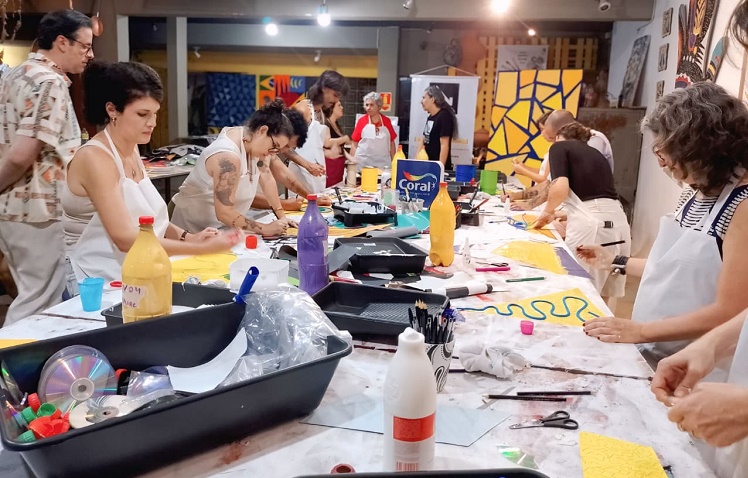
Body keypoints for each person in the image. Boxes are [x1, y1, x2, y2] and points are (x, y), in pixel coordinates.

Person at [576, 83, 748, 369]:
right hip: (656, 348)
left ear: (700, 146)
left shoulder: (741, 205)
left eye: (664, 153)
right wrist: (614, 261)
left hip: (699, 367)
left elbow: (730, 311)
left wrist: (641, 331)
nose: (663, 164)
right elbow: (675, 270)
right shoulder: (694, 193)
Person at [62, 61, 239, 286]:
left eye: (155, 113)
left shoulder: (131, 148)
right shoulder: (95, 157)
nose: (152, 123)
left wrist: (189, 237)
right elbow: (124, 238)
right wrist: (199, 249)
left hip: (131, 268)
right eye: (142, 114)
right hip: (90, 278)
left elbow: (148, 219)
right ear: (112, 110)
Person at [0, 10, 93, 325]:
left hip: (14, 209)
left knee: (32, 295)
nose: (90, 55)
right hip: (37, 209)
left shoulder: (15, 74)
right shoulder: (49, 82)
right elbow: (20, 155)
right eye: (85, 46)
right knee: (39, 301)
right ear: (62, 42)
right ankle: (13, 359)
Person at [534, 122, 631, 299]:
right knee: (601, 298)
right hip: (619, 224)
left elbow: (560, 187)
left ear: (559, 137)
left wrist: (547, 212)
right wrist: (561, 213)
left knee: (577, 293)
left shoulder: (559, 148)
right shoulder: (595, 154)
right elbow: (597, 200)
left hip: (594, 228)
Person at [171, 99, 295, 236]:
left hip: (222, 230)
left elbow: (266, 177)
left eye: (277, 150)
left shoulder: (253, 142)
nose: (272, 153)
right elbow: (224, 213)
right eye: (274, 146)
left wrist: (282, 217)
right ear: (263, 130)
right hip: (192, 231)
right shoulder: (227, 156)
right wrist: (264, 228)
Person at [288, 70, 349, 193]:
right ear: (324, 88)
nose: (336, 101)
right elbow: (285, 147)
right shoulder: (303, 110)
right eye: (335, 95)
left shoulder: (320, 113)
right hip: (300, 176)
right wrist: (307, 165)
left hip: (316, 175)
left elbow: (315, 144)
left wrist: (329, 153)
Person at [542, 109, 614, 172]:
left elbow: (586, 171)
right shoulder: (566, 147)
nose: (555, 142)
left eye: (553, 138)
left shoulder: (595, 139)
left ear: (566, 130)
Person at [350, 92, 397, 172]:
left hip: (383, 164)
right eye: (367, 105)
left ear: (379, 106)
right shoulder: (361, 121)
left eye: (371, 105)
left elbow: (392, 144)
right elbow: (354, 144)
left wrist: (394, 162)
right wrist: (351, 163)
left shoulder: (387, 121)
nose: (368, 108)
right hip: (363, 164)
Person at [420, 86, 458, 170]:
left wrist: (440, 168)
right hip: (427, 165)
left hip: (437, 167)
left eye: (424, 98)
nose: (421, 101)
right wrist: (416, 161)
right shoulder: (430, 117)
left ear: (432, 99)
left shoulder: (444, 116)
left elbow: (444, 145)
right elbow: (424, 139)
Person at [511, 110, 553, 184]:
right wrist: (523, 167)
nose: (542, 134)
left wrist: (522, 170)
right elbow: (543, 173)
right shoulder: (552, 147)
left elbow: (545, 180)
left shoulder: (555, 149)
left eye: (542, 129)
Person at [323, 101, 351, 187]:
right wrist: (344, 138)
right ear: (331, 108)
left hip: (338, 165)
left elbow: (340, 147)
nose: (342, 107)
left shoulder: (336, 124)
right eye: (339, 105)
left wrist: (351, 158)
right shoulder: (325, 123)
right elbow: (327, 142)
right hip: (330, 165)